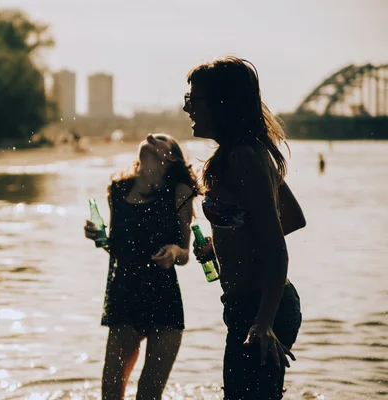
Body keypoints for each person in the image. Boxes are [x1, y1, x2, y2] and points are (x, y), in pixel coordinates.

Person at [184, 56, 306, 399]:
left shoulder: (243, 158)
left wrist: (264, 323)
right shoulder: (249, 152)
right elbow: (293, 217)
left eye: (194, 101)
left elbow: (275, 247)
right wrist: (224, 238)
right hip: (250, 306)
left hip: (260, 308)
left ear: (222, 105)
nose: (188, 109)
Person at [84, 133, 201, 400]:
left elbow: (185, 253)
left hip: (164, 299)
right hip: (124, 296)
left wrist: (173, 252)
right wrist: (98, 236)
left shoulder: (180, 192)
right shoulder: (118, 188)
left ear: (170, 158)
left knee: (149, 396)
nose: (150, 136)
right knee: (111, 395)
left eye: (159, 139)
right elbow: (116, 246)